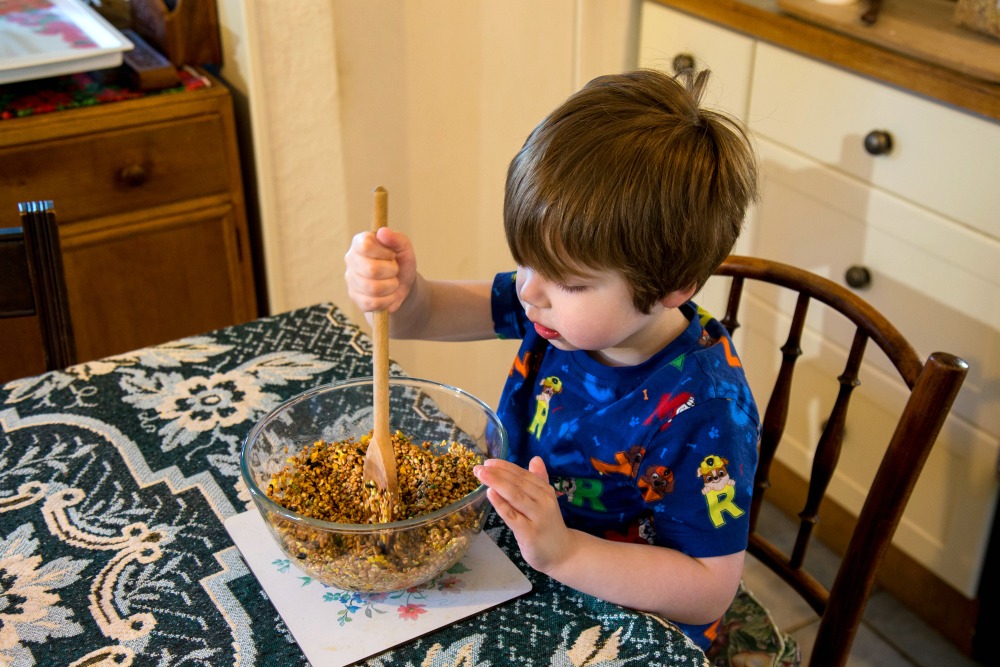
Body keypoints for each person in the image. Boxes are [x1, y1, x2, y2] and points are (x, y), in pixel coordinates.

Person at [344, 68, 760, 651]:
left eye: (568, 281)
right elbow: (422, 317)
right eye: (525, 260)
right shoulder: (553, 312)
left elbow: (708, 590)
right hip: (527, 558)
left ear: (671, 287)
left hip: (633, 621)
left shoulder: (704, 411)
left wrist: (566, 552)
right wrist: (398, 292)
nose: (529, 291)